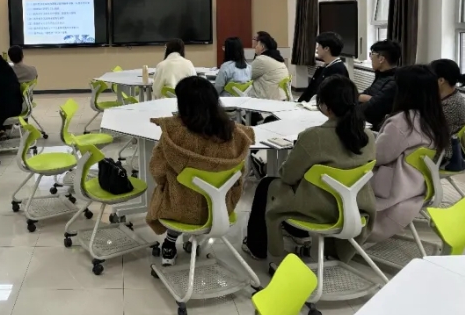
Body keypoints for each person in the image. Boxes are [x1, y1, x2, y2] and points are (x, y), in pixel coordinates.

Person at [243, 75, 376, 261]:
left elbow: (288, 176)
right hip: (356, 206)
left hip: (319, 209)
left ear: (326, 107)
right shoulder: (368, 136)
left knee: (267, 185)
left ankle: (257, 247)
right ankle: (297, 233)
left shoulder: (314, 137)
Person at [147, 76, 254, 266]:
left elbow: (157, 170)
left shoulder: (173, 135)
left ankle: (170, 241)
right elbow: (240, 174)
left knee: (171, 189)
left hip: (179, 210)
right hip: (220, 209)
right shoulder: (234, 134)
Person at [368, 65, 450, 244]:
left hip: (392, 187)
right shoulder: (433, 117)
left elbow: (376, 156)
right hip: (416, 184)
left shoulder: (403, 122)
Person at [430, 59, 465, 167]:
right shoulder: (450, 97)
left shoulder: (452, 105)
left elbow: (428, 129)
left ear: (441, 80)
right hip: (438, 149)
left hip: (443, 155)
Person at [358, 40, 401, 131]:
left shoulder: (394, 81)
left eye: (372, 54)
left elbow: (371, 107)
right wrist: (364, 98)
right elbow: (365, 94)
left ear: (381, 59)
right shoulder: (381, 75)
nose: (370, 58)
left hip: (379, 129)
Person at [298, 32, 349, 103]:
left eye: (319, 45)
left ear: (326, 48)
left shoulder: (338, 70)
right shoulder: (324, 67)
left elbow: (332, 98)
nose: (317, 48)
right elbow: (311, 90)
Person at [250, 31, 289, 100]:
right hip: (280, 97)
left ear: (262, 47)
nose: (255, 46)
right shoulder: (277, 58)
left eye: (257, 43)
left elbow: (247, 76)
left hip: (267, 99)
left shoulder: (261, 60)